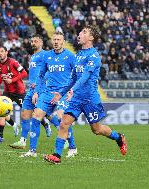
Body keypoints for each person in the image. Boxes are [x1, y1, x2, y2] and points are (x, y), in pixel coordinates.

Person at [44, 26, 127, 164]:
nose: (80, 33)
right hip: (76, 98)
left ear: (91, 38)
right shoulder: (79, 55)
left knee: (97, 129)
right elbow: (73, 78)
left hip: (90, 99)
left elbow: (86, 76)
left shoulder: (94, 56)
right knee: (64, 123)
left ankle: (119, 138)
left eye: (84, 32)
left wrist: (73, 90)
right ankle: (56, 156)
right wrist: (61, 93)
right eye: (80, 31)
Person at [20, 31, 76, 157]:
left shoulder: (70, 56)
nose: (56, 42)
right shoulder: (47, 56)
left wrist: (73, 90)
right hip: (48, 92)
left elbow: (77, 74)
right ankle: (32, 151)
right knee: (36, 116)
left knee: (62, 118)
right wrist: (35, 92)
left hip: (63, 92)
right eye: (54, 39)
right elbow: (40, 76)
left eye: (58, 40)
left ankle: (72, 147)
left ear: (63, 42)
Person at [9, 34, 60, 150]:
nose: (33, 43)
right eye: (32, 41)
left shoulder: (46, 55)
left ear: (41, 42)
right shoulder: (33, 56)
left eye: (36, 41)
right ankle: (22, 141)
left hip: (41, 89)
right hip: (32, 90)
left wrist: (41, 83)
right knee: (25, 114)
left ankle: (63, 133)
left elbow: (49, 70)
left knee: (47, 114)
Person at [0, 46, 28, 143]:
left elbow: (24, 73)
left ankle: (45, 123)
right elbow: (0, 78)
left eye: (2, 51)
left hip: (19, 91)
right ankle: (0, 136)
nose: (0, 53)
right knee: (1, 111)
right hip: (7, 92)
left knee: (29, 112)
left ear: (6, 52)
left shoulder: (13, 62)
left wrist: (12, 80)